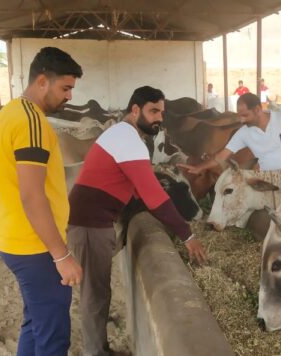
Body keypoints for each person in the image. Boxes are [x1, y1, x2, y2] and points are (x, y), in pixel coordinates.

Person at [67, 86, 208, 356]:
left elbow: (133, 186)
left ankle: (98, 348)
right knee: (95, 294)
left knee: (97, 291)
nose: (159, 118)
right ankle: (95, 352)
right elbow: (153, 194)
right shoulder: (127, 137)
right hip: (90, 225)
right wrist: (187, 235)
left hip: (94, 221)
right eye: (153, 111)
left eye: (162, 112)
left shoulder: (124, 135)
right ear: (135, 110)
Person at [0, 47, 83, 356]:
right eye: (65, 88)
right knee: (53, 339)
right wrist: (61, 255)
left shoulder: (11, 111)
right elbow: (31, 195)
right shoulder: (32, 122)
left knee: (35, 324)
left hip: (17, 240)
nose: (69, 96)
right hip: (36, 247)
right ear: (42, 81)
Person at [178, 93, 281, 174]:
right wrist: (199, 168)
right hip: (267, 181)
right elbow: (222, 156)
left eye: (245, 115)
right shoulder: (244, 133)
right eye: (239, 115)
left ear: (257, 110)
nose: (241, 120)